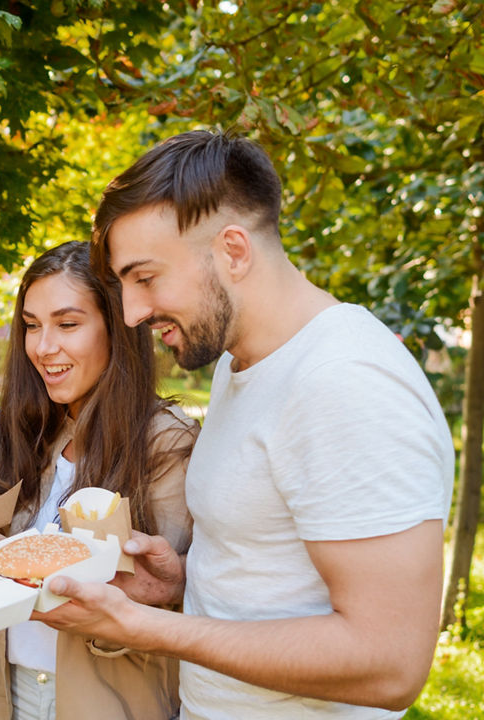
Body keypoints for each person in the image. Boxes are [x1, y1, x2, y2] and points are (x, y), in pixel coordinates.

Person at [33, 130, 455, 719]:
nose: (131, 313)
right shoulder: (242, 364)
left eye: (146, 278)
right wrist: (178, 586)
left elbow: (389, 664)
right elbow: (274, 581)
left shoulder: (345, 382)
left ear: (233, 251)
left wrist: (148, 627)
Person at [0, 241, 198, 720]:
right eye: (32, 326)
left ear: (117, 328)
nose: (43, 346)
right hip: (13, 693)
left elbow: (170, 599)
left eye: (67, 324)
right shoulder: (36, 432)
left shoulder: (165, 440)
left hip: (109, 699)